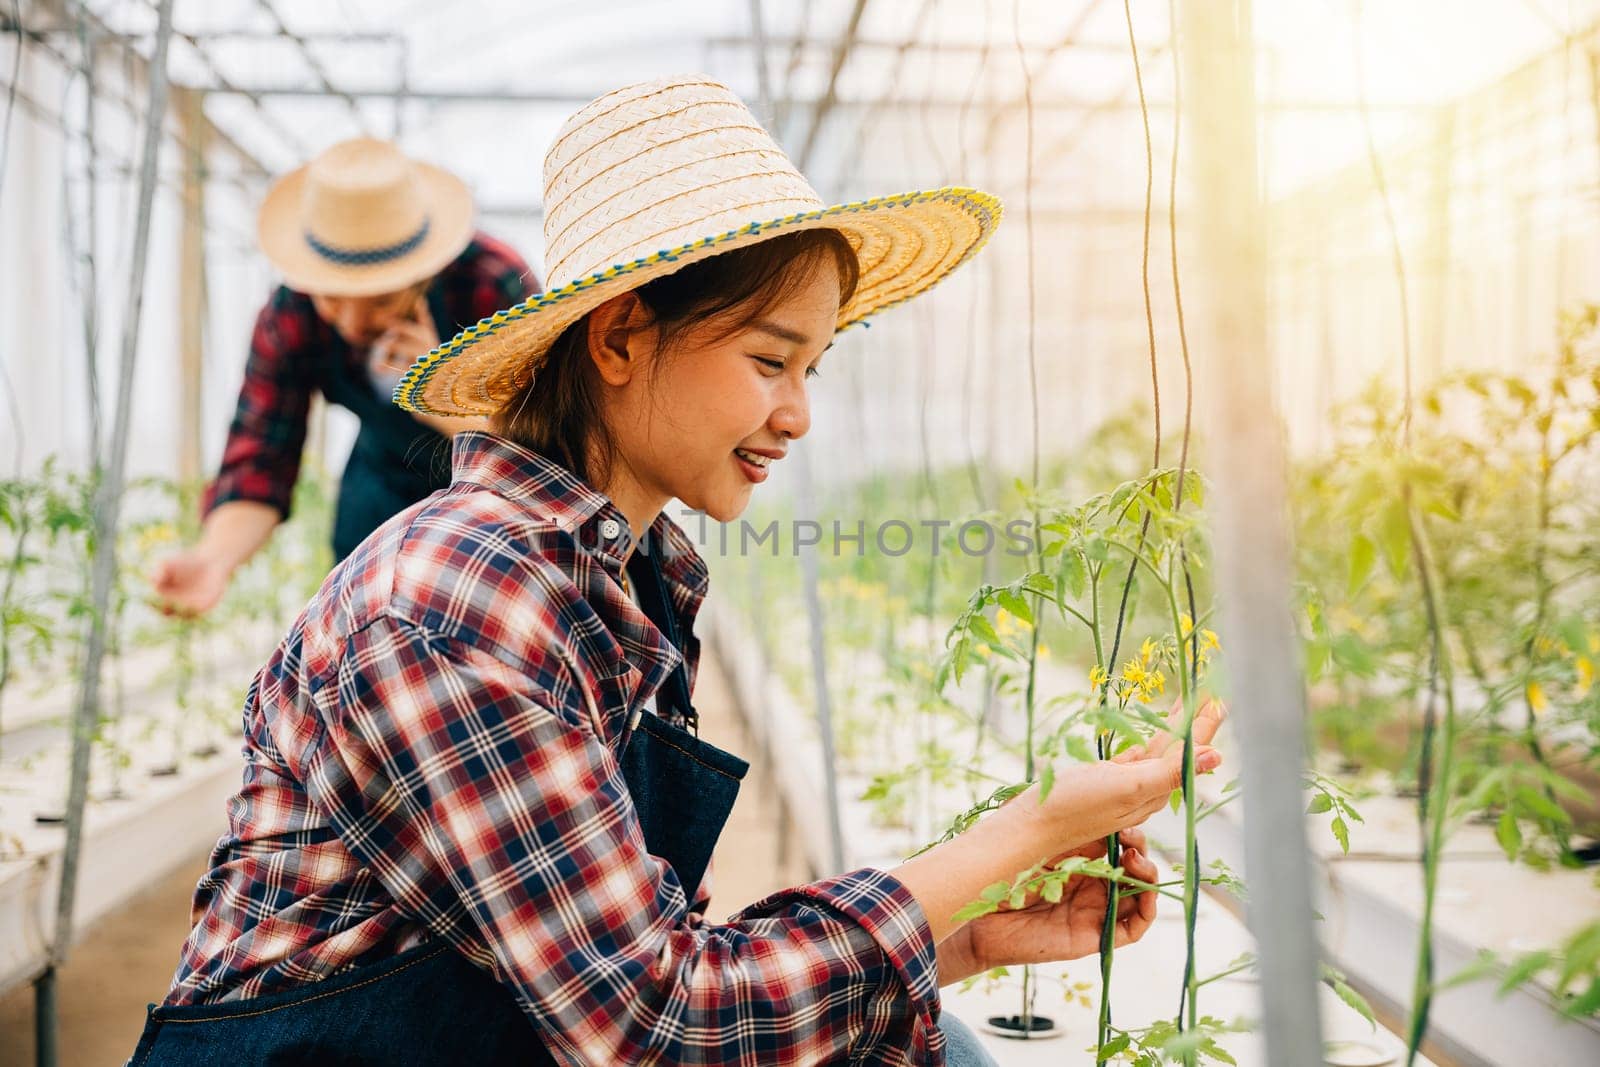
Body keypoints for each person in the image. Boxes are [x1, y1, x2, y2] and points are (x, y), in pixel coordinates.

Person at [128, 77, 1226, 1066]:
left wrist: (972, 926)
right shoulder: (454, 608)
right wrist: (1017, 833)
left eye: (812, 365)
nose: (797, 414)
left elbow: (645, 951)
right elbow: (655, 1025)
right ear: (613, 341)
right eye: (767, 359)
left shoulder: (627, 576)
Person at [149, 137, 540, 616]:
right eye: (331, 298)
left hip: (495, 500)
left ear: (426, 275)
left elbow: (548, 450)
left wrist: (443, 394)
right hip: (377, 495)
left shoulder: (490, 284)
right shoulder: (290, 312)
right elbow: (260, 460)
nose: (353, 324)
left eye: (379, 300)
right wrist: (212, 560)